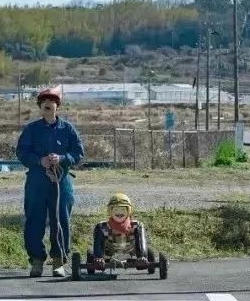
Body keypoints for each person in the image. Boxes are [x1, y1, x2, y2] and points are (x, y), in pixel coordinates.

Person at [16, 85, 84, 277]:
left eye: (52, 102)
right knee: (34, 220)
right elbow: (21, 152)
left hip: (61, 182)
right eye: (44, 102)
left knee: (61, 220)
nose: (48, 105)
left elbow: (78, 153)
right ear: (40, 106)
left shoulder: (68, 129)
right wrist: (40, 160)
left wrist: (62, 159)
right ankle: (36, 261)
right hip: (37, 182)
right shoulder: (31, 129)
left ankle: (58, 261)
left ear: (57, 107)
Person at [91, 192, 150, 269]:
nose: (119, 213)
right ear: (110, 211)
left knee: (139, 228)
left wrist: (142, 256)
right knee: (99, 228)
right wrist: (98, 257)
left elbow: (140, 241)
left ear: (128, 211)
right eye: (115, 209)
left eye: (123, 209)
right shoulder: (103, 227)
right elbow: (98, 242)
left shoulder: (135, 225)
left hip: (130, 250)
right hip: (109, 251)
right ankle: (99, 258)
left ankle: (141, 257)